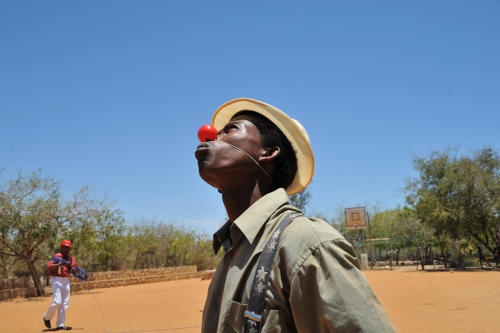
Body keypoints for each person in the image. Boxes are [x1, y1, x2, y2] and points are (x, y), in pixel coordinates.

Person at [195, 98, 397, 332]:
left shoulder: (307, 244)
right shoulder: (234, 249)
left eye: (229, 130)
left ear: (267, 153)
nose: (209, 136)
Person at [43, 239, 75, 331]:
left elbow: (73, 268)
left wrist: (75, 270)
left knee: (65, 303)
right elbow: (48, 266)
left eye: (68, 248)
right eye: (65, 248)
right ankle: (47, 318)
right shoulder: (57, 256)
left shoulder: (71, 258)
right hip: (57, 279)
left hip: (66, 280)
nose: (66, 250)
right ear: (61, 247)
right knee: (57, 301)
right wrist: (59, 264)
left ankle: (60, 324)